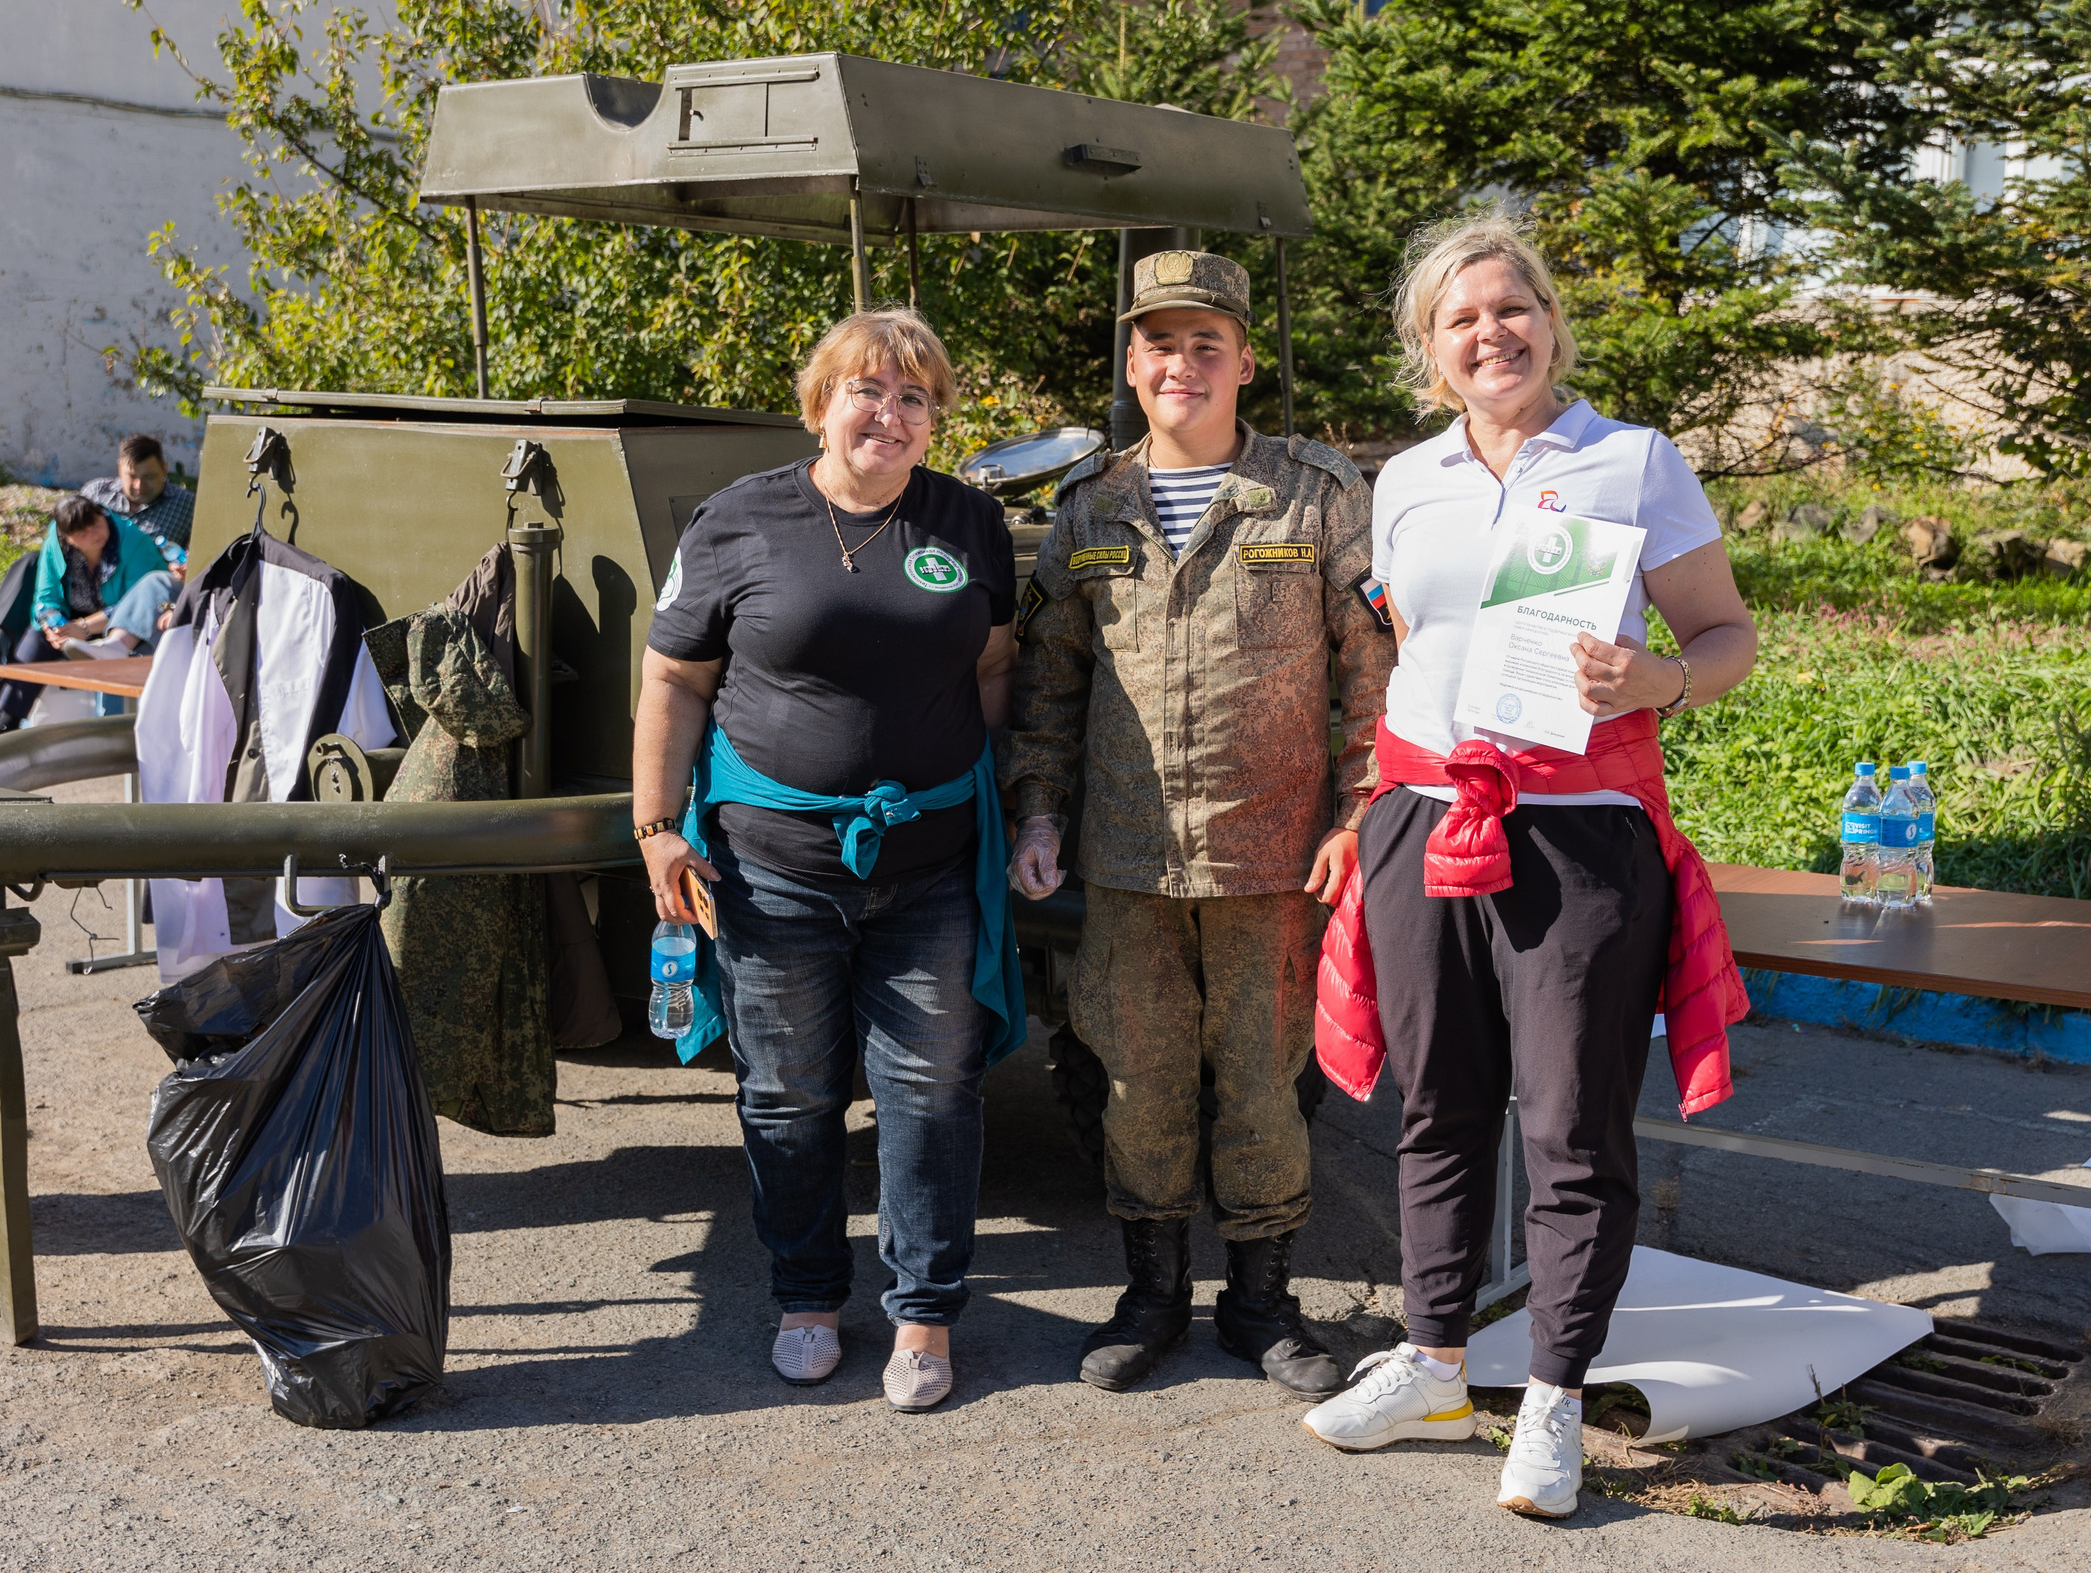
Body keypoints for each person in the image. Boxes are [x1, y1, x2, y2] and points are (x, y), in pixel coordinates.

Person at [1299, 215, 1759, 1519]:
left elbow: (1728, 634)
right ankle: (1435, 1356)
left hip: (1581, 823)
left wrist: (1659, 674)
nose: (1490, 333)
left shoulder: (1632, 460)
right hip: (1426, 817)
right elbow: (1406, 646)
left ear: (1552, 322)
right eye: (1461, 319)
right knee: (1438, 1105)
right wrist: (1376, 796)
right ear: (1429, 351)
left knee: (1568, 1121)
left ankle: (1554, 1394)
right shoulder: (1407, 480)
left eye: (1513, 309)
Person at [1009, 250, 1395, 1403]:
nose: (1182, 363)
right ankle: (1151, 1295)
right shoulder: (1088, 506)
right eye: (1160, 343)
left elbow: (1374, 670)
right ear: (1132, 362)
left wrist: (1361, 810)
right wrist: (1036, 811)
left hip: (1272, 857)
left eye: (1205, 343)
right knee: (1135, 1082)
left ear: (1242, 361)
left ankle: (1263, 1304)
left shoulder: (1317, 494)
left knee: (1265, 1085)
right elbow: (1048, 686)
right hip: (1127, 862)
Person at [631, 307, 1021, 1415]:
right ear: (820, 404)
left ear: (933, 419)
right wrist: (658, 826)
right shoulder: (736, 520)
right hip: (769, 871)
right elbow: (673, 680)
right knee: (791, 1097)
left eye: (913, 398)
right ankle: (807, 1299)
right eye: (867, 390)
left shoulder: (970, 522)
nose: (888, 414)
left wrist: (993, 795)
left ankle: (923, 1315)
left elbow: (996, 666)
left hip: (932, 866)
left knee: (932, 1092)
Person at [0, 495, 174, 731]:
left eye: (96, 523)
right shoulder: (56, 539)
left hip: (124, 628)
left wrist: (84, 627)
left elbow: (136, 603)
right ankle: (7, 722)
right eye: (82, 532)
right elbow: (46, 596)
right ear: (68, 538)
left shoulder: (133, 541)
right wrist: (53, 626)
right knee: (38, 637)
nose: (94, 533)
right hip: (76, 623)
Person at [80, 433, 196, 564]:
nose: (139, 486)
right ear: (119, 468)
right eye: (132, 476)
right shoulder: (95, 494)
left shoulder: (187, 505)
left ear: (164, 468)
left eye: (149, 477)